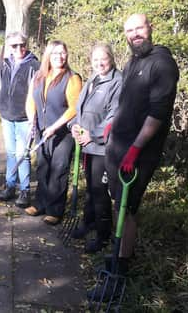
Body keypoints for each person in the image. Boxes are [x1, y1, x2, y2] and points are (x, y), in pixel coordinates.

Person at [95, 14, 178, 280]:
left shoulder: (162, 64)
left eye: (139, 28)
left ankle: (121, 268)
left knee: (127, 208)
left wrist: (135, 149)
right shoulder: (134, 60)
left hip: (139, 153)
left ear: (150, 28)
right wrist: (113, 124)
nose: (134, 34)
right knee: (119, 203)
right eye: (129, 30)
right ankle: (119, 253)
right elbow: (126, 99)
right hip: (119, 144)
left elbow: (157, 114)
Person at [68, 43, 122, 253]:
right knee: (90, 187)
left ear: (111, 58)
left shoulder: (117, 82)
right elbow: (81, 110)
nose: (99, 63)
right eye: (96, 59)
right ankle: (89, 221)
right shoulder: (93, 79)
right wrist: (74, 127)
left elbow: (113, 116)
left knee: (100, 191)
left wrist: (94, 135)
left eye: (104, 58)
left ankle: (103, 234)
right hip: (86, 145)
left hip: (102, 147)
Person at [24, 40, 82, 225]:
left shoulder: (72, 78)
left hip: (62, 133)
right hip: (42, 130)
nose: (60, 57)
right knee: (42, 167)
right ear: (48, 55)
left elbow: (74, 108)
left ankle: (55, 210)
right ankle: (40, 203)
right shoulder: (39, 76)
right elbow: (31, 101)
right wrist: (32, 120)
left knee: (58, 169)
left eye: (63, 53)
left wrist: (55, 127)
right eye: (55, 53)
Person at [0, 32, 40, 208]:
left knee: (23, 154)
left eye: (22, 45)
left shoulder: (34, 66)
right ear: (9, 47)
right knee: (11, 153)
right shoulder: (5, 63)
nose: (19, 49)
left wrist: (33, 118)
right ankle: (10, 185)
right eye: (14, 46)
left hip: (24, 117)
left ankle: (25, 190)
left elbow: (35, 94)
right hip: (7, 115)